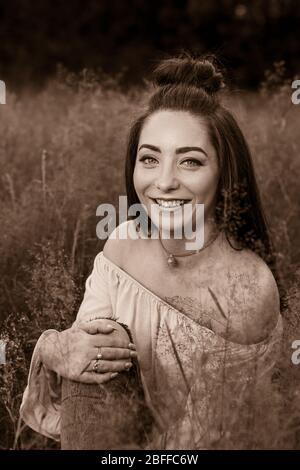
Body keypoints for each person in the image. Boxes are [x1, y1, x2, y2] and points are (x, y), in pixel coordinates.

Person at [20, 53, 283, 450]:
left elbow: (204, 440)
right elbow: (87, 372)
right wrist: (56, 347)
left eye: (190, 162)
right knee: (100, 345)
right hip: (107, 442)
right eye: (149, 159)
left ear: (224, 172)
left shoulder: (246, 288)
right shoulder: (124, 243)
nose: (163, 182)